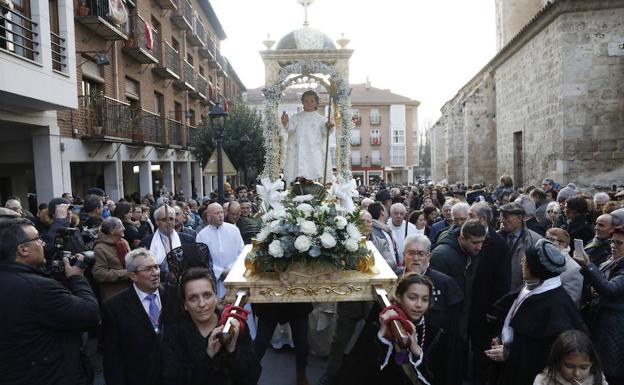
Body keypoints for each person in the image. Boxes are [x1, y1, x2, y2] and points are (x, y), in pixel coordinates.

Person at [0, 219, 100, 385]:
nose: (44, 245)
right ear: (23, 249)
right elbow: (89, 313)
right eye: (38, 239)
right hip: (50, 374)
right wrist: (77, 278)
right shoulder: (38, 288)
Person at [485, 239, 586, 385]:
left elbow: (545, 352)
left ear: (537, 269)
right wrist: (500, 337)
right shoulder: (533, 287)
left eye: (526, 262)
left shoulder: (556, 304)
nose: (522, 263)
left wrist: (510, 353)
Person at [336, 273, 448, 385]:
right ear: (399, 296)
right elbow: (358, 371)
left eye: (424, 299)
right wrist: (382, 338)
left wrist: (416, 352)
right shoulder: (379, 325)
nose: (419, 305)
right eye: (412, 298)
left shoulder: (434, 333)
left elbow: (436, 378)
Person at [161, 267, 261, 385]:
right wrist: (208, 356)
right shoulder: (174, 334)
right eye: (193, 298)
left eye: (207, 295)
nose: (202, 304)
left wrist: (233, 350)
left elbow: (253, 375)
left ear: (215, 297)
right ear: (185, 305)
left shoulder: (232, 324)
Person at [102, 248, 165, 385]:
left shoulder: (174, 295)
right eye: (148, 269)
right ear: (133, 276)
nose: (155, 273)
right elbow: (112, 356)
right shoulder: (114, 307)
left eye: (156, 267)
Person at [572, 226, 624, 384]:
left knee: (608, 373)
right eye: (612, 242)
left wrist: (587, 265)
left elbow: (610, 288)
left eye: (619, 243)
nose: (613, 246)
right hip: (602, 321)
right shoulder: (612, 260)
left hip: (614, 328)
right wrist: (593, 290)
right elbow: (600, 284)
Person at [281, 90, 334, 183]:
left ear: (316, 103)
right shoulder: (296, 117)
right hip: (301, 148)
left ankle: (312, 181)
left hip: (315, 149)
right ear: (302, 102)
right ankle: (302, 180)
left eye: (312, 101)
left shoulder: (321, 119)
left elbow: (325, 132)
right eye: (306, 101)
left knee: (314, 166)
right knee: (302, 165)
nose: (309, 103)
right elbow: (290, 129)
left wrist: (328, 125)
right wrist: (285, 122)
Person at [195, 203, 244, 299]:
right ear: (209, 216)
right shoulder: (201, 235)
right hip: (215, 280)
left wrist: (231, 269)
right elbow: (201, 260)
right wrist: (220, 272)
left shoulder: (234, 230)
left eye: (222, 212)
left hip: (235, 276)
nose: (221, 215)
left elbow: (241, 253)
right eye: (217, 213)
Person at [533, 330, 608, 385]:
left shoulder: (598, 380)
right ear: (558, 362)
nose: (577, 374)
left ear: (591, 363)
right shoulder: (543, 381)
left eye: (584, 367)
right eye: (569, 366)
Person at [498, 202, 543, 290]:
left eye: (506, 217)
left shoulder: (535, 240)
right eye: (501, 216)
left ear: (520, 218)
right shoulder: (495, 238)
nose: (502, 220)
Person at [139, 205, 195, 272]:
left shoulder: (188, 240)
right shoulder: (146, 242)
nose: (169, 222)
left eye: (171, 219)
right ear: (157, 222)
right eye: (165, 219)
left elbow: (194, 265)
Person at [92, 217, 131, 301]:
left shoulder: (123, 242)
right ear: (112, 231)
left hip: (129, 288)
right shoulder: (100, 249)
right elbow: (99, 274)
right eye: (120, 226)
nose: (124, 228)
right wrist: (126, 273)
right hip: (113, 293)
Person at [545, 228, 584, 306]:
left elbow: (571, 301)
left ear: (563, 244)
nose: (546, 242)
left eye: (551, 240)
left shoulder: (574, 269)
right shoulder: (543, 259)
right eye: (546, 238)